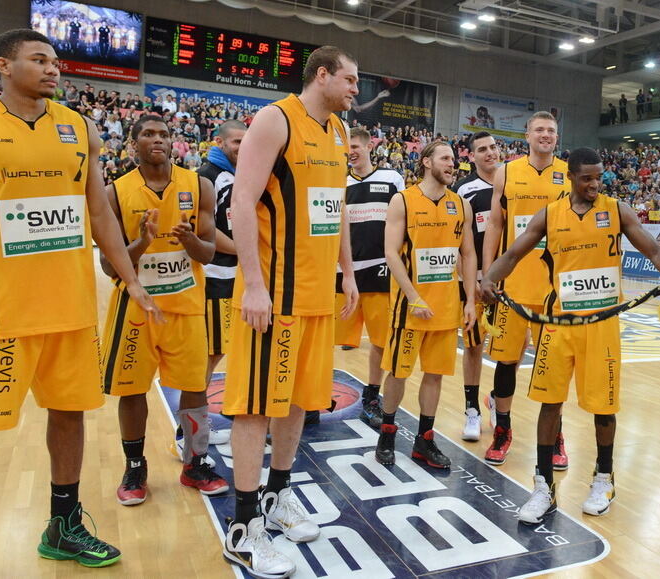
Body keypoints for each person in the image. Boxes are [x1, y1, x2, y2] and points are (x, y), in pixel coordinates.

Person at [0, 29, 160, 575]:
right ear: (2, 65)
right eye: (38, 59)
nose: (52, 69)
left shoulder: (78, 126)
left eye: (55, 61)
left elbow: (99, 212)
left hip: (71, 303)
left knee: (70, 414)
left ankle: (64, 525)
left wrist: (132, 280)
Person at [480, 147, 660, 523]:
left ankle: (604, 478)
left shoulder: (617, 210)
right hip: (558, 324)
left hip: (602, 325)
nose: (595, 184)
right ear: (571, 178)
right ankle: (543, 486)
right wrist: (489, 277)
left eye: (599, 177)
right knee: (550, 403)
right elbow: (512, 253)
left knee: (604, 408)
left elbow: (653, 248)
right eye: (588, 178)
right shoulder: (550, 214)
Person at [221, 45, 359, 577]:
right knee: (257, 407)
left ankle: (277, 498)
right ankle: (243, 527)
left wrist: (346, 271)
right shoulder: (276, 120)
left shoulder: (340, 133)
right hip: (273, 298)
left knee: (300, 402)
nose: (354, 89)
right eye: (348, 79)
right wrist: (253, 285)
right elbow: (241, 203)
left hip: (318, 297)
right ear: (321, 75)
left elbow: (336, 207)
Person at [100, 115, 227, 505]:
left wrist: (190, 239)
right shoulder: (114, 193)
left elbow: (207, 253)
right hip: (137, 307)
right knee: (132, 389)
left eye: (164, 134)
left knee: (194, 387)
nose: (158, 140)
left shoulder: (198, 185)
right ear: (133, 142)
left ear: (174, 142)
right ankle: (135, 467)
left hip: (186, 307)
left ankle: (195, 462)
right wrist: (139, 243)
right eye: (149, 134)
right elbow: (110, 266)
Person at [375, 141, 477, 467]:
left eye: (455, 160)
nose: (453, 164)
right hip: (410, 308)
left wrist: (470, 299)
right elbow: (391, 253)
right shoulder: (402, 200)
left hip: (446, 308)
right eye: (446, 159)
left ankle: (424, 441)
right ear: (426, 161)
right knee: (397, 374)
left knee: (434, 376)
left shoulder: (461, 205)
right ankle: (387, 433)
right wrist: (412, 296)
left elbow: (468, 254)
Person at [481, 111, 570, 468]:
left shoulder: (569, 174)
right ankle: (503, 429)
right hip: (513, 287)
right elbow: (494, 225)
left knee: (554, 368)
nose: (545, 135)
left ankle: (556, 434)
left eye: (551, 130)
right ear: (527, 135)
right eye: (539, 130)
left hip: (554, 290)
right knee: (506, 363)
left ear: (556, 137)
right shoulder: (507, 172)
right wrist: (488, 273)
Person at [340, 126, 405, 428]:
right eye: (347, 147)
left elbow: (403, 224)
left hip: (380, 270)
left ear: (369, 147)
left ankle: (371, 396)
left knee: (380, 341)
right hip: (344, 273)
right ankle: (313, 399)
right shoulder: (339, 182)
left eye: (355, 146)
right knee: (327, 338)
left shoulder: (392, 179)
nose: (351, 151)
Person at [191, 119, 247, 451]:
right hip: (213, 277)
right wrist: (247, 249)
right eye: (237, 141)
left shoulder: (231, 175)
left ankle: (195, 429)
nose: (242, 147)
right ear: (220, 142)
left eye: (246, 141)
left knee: (215, 353)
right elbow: (206, 233)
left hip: (229, 277)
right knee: (208, 356)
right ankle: (191, 433)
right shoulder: (209, 176)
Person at [451, 131, 500, 441]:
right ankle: (472, 410)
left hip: (510, 281)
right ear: (471, 156)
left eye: (493, 147)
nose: (490, 153)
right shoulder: (463, 191)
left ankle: (495, 398)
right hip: (474, 281)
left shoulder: (514, 183)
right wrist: (471, 284)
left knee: (515, 347)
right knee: (473, 346)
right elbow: (458, 244)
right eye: (482, 149)